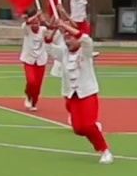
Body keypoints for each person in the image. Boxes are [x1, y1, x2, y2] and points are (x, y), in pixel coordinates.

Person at [44, 15, 114, 164]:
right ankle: (95, 130)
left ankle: (105, 150)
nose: (68, 41)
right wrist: (53, 28)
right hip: (72, 95)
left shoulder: (86, 51)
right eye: (66, 39)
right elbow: (48, 47)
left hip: (87, 93)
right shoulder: (63, 53)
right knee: (78, 129)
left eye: (71, 38)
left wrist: (65, 25)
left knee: (88, 125)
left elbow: (86, 38)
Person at [18, 10, 53, 111]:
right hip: (29, 59)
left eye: (37, 23)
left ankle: (34, 102)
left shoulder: (43, 30)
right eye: (33, 23)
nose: (35, 25)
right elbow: (27, 22)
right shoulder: (26, 29)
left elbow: (49, 38)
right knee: (31, 81)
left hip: (41, 60)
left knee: (38, 85)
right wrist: (36, 15)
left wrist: (52, 24)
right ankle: (28, 95)